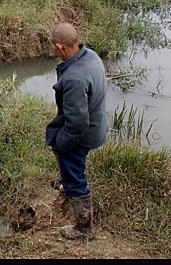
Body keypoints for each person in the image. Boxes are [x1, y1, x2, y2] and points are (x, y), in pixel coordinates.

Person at [45, 22, 107, 239]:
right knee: (73, 169)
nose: (53, 50)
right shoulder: (91, 56)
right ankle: (68, 185)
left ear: (60, 47)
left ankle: (84, 228)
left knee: (74, 175)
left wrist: (60, 144)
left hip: (83, 135)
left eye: (53, 47)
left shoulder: (74, 78)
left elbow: (77, 124)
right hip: (96, 127)